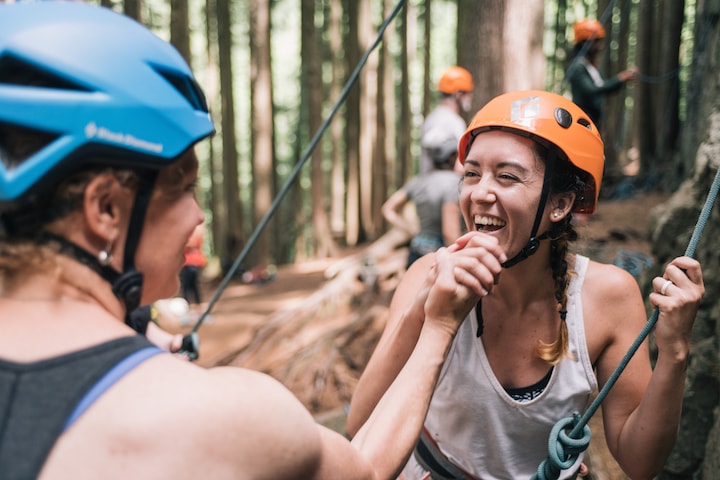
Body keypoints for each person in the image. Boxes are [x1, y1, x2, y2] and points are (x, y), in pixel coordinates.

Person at [0, 3, 498, 479]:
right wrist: (437, 328)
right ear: (105, 209)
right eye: (183, 188)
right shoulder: (215, 415)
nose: (198, 216)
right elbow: (363, 466)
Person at [347, 90, 705, 479]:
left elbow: (640, 462)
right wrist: (423, 310)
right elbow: (361, 423)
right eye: (471, 173)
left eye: (507, 176)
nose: (480, 193)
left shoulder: (607, 298)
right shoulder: (428, 275)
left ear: (560, 204)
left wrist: (673, 353)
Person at [382, 128, 462, 268]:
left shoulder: (417, 181)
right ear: (451, 156)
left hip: (416, 251)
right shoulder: (455, 183)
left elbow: (388, 209)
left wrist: (411, 230)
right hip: (440, 257)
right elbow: (450, 232)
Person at [566, 19, 637, 131]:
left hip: (594, 121)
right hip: (582, 122)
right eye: (596, 41)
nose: (600, 45)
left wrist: (622, 80)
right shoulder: (577, 66)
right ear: (585, 43)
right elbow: (591, 90)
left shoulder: (591, 66)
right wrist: (620, 78)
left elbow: (604, 86)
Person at [419, 66, 474, 174]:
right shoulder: (454, 122)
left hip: (428, 185)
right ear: (458, 95)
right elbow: (459, 167)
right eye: (467, 94)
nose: (470, 98)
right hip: (446, 187)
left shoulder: (431, 118)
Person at [180, 223, 207, 304]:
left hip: (190, 262)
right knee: (192, 285)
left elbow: (190, 244)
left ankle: (189, 303)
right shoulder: (194, 233)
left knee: (188, 285)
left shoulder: (193, 235)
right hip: (190, 262)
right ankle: (195, 303)